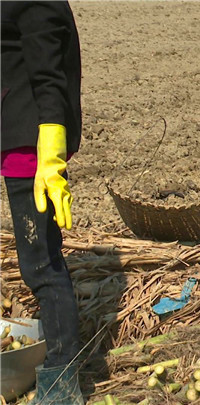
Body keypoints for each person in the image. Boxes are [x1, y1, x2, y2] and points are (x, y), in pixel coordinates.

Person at [1, 1, 84, 403]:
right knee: (39, 260)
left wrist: (51, 148)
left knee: (41, 265)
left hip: (31, 151)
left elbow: (49, 72)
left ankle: (62, 380)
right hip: (13, 137)